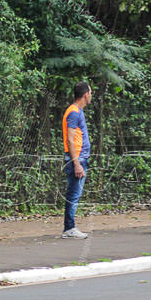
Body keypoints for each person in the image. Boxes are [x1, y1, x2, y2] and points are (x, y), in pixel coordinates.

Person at [61, 82, 92, 239]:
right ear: (86, 94)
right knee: (73, 194)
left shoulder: (77, 111)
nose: (91, 96)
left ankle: (70, 227)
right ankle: (69, 228)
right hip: (76, 158)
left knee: (74, 193)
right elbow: (71, 139)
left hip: (79, 157)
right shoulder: (74, 112)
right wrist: (77, 163)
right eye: (90, 92)